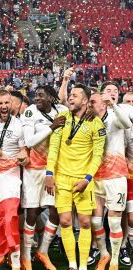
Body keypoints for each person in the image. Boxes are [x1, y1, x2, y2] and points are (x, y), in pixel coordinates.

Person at [45, 84, 106, 270]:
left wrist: (87, 179)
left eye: (75, 95)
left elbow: (98, 155)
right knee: (64, 221)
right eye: (70, 95)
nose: (70, 98)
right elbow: (53, 148)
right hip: (62, 177)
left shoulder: (96, 123)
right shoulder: (61, 118)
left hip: (83, 179)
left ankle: (82, 265)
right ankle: (72, 263)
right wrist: (49, 173)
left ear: (85, 101)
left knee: (86, 222)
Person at [20, 86, 68, 270]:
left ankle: (43, 251)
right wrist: (52, 127)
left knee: (55, 211)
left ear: (50, 97)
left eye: (41, 95)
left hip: (54, 168)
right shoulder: (30, 112)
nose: (36, 98)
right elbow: (29, 141)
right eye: (35, 95)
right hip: (33, 169)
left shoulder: (61, 111)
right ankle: (25, 255)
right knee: (31, 213)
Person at [0, 89, 28, 270]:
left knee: (10, 216)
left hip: (10, 175)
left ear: (12, 104)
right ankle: (0, 254)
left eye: (6, 103)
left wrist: (24, 157)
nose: (3, 107)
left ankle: (15, 260)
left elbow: (24, 151)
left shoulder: (18, 125)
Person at [89, 82, 131, 270]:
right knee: (95, 220)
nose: (90, 105)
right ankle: (103, 253)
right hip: (96, 177)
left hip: (115, 176)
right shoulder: (89, 121)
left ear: (103, 104)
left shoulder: (115, 117)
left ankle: (114, 259)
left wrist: (113, 105)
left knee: (114, 221)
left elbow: (127, 124)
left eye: (93, 102)